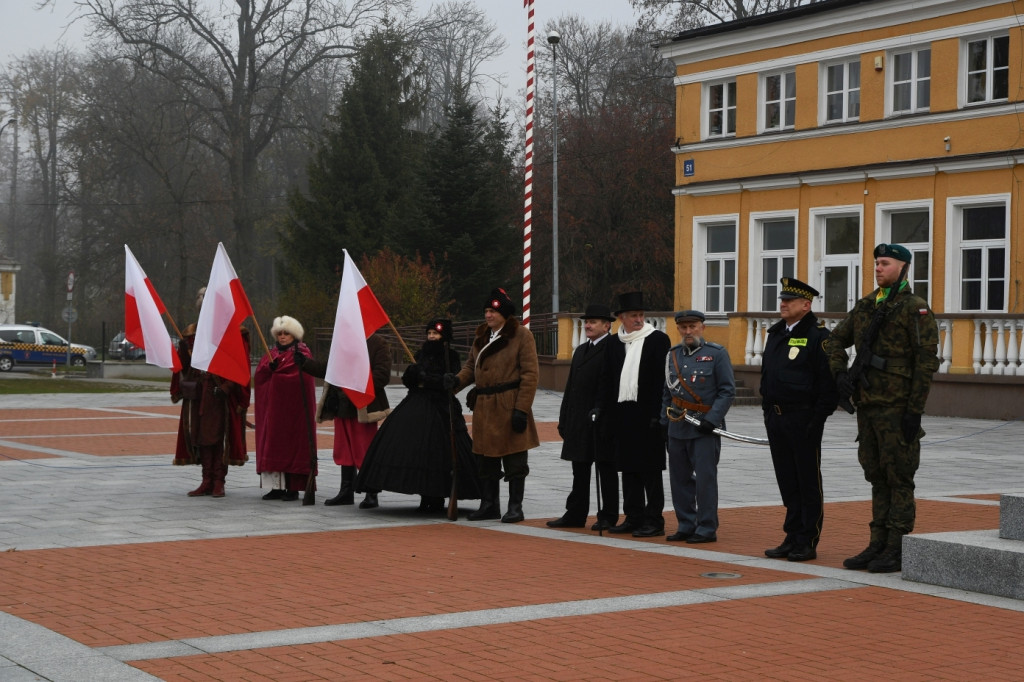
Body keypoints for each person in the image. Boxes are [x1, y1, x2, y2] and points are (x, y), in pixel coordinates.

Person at [826, 243, 939, 573]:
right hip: (868, 405)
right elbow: (835, 340)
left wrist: (914, 410)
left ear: (903, 268)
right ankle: (877, 543)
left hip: (897, 406)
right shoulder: (866, 305)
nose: (877, 268)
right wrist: (838, 373)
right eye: (876, 263)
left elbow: (925, 362)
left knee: (899, 476)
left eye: (885, 263)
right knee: (875, 474)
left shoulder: (914, 308)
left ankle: (897, 546)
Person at [354, 319, 480, 510]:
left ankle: (437, 496)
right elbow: (408, 381)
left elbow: (449, 380)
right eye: (429, 333)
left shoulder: (451, 356)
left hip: (441, 409)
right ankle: (423, 495)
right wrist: (414, 373)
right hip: (416, 404)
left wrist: (428, 378)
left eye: (435, 334)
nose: (431, 337)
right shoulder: (421, 354)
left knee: (440, 451)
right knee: (411, 447)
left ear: (443, 336)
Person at [759, 278, 839, 562]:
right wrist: (768, 411)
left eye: (789, 301)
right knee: (787, 480)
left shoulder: (819, 336)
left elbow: (828, 385)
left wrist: (817, 419)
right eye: (782, 299)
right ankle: (792, 535)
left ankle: (807, 539)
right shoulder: (777, 333)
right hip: (777, 418)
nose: (783, 304)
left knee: (807, 480)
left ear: (806, 305)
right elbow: (768, 375)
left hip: (803, 418)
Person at [450, 287, 539, 523]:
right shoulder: (482, 336)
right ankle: (489, 504)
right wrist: (455, 382)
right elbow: (471, 367)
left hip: (509, 404)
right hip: (485, 407)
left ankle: (515, 507)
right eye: (486, 310)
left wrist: (521, 409)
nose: (488, 315)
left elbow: (530, 375)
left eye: (493, 311)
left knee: (515, 461)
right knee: (485, 460)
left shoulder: (521, 335)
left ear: (505, 313)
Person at [661, 310, 735, 543]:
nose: (688, 331)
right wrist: (663, 422)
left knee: (705, 479)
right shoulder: (672, 355)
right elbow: (667, 393)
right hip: (678, 427)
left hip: (704, 427)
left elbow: (727, 391)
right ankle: (686, 523)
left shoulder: (716, 354)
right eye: (683, 328)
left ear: (702, 327)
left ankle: (706, 527)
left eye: (692, 327)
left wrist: (712, 420)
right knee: (679, 478)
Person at [548, 303, 621, 530]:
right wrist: (564, 418)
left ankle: (608, 515)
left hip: (601, 420)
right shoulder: (581, 350)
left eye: (593, 322)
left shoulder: (613, 348)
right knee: (579, 469)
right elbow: (570, 388)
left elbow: (612, 386)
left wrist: (603, 413)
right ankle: (576, 513)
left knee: (605, 469)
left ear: (607, 326)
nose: (587, 325)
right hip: (579, 420)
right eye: (586, 322)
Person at [605, 291, 672, 538]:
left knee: (650, 470)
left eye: (641, 315)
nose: (638, 319)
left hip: (649, 416)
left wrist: (658, 414)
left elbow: (662, 381)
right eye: (633, 315)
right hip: (623, 414)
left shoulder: (657, 340)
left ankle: (654, 519)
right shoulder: (614, 343)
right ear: (621, 317)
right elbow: (609, 380)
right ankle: (633, 516)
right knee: (628, 468)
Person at [306, 333, 392, 508]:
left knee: (365, 449)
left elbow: (382, 375)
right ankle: (346, 491)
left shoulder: (378, 343)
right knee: (344, 450)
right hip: (341, 405)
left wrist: (356, 384)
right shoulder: (343, 340)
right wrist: (306, 363)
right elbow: (329, 369)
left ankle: (371, 491)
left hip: (362, 405)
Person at [171, 320, 251, 498]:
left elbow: (240, 367)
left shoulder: (234, 335)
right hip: (199, 396)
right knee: (202, 437)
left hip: (220, 397)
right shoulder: (193, 334)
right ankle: (206, 480)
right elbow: (184, 366)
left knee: (220, 438)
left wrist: (227, 387)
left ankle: (219, 481)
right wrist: (184, 349)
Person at [254, 316, 318, 502]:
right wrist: (268, 369)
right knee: (273, 444)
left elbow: (302, 378)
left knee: (294, 446)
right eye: (280, 334)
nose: (282, 337)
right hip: (273, 412)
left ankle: (293, 487)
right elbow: (260, 377)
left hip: (293, 412)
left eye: (286, 333)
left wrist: (278, 374)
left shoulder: (302, 353)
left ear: (294, 335)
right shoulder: (270, 353)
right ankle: (276, 487)